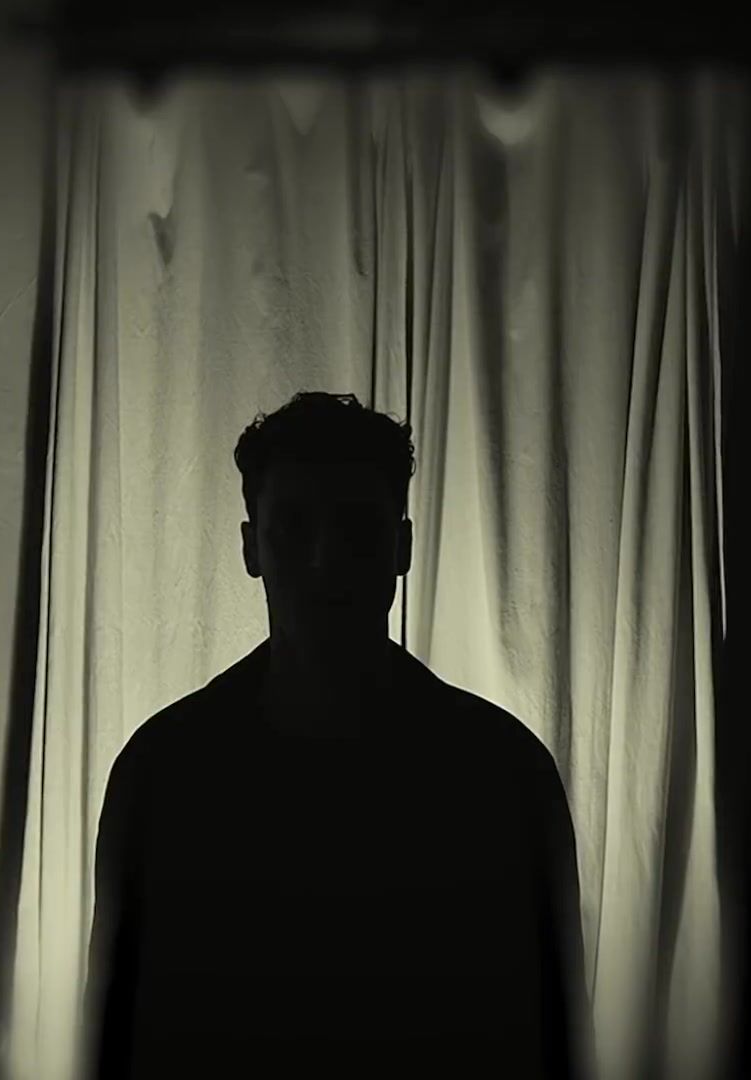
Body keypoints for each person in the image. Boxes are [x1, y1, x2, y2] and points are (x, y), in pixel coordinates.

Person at [83, 392, 587, 1080]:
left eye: (357, 527)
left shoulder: (507, 775)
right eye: (295, 526)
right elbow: (116, 1031)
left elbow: (554, 1032)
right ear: (251, 548)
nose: (326, 560)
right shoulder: (161, 772)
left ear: (402, 547)